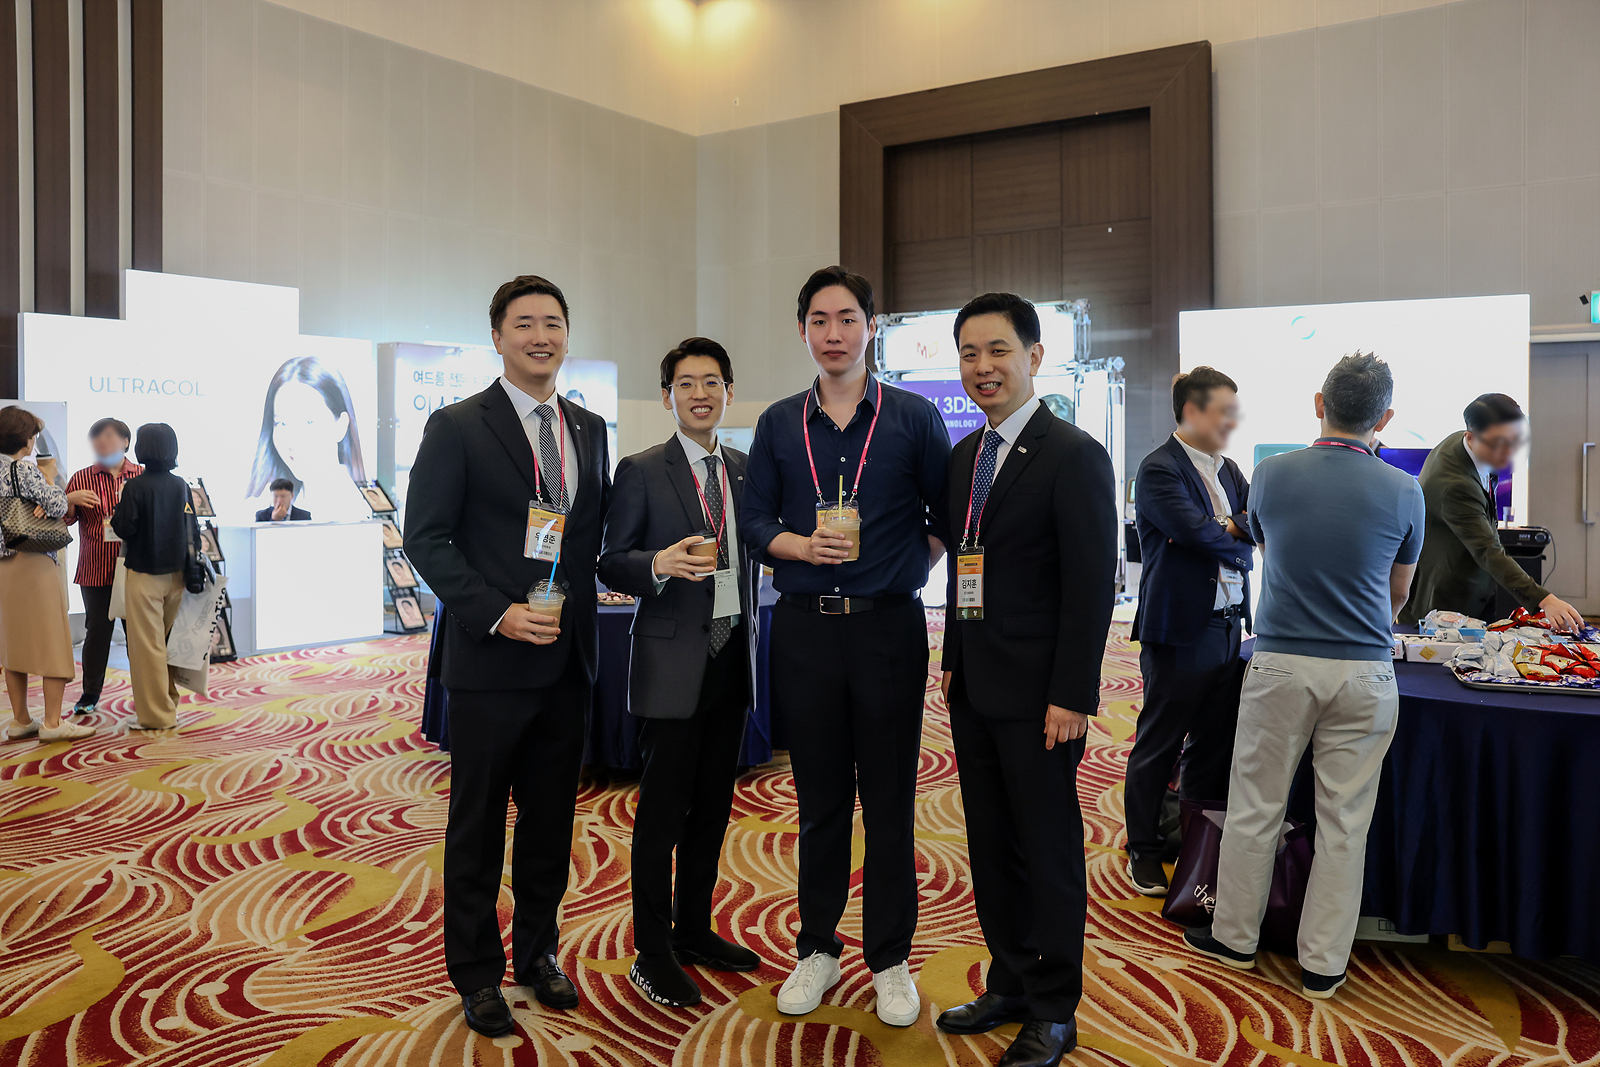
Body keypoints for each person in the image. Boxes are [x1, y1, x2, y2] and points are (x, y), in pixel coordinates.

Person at [404, 274, 612, 1038]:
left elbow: (589, 536)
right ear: (497, 336)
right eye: (524, 323)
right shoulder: (458, 425)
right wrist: (498, 611)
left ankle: (537, 952)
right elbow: (426, 537)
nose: (540, 336)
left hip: (566, 660)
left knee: (551, 823)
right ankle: (476, 972)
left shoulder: (588, 427)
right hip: (491, 663)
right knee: (479, 825)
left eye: (553, 322)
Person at [742, 265, 950, 1027]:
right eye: (819, 321)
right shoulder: (777, 423)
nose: (834, 334)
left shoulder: (914, 417)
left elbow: (945, 517)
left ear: (871, 326)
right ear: (803, 330)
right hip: (804, 630)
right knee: (819, 800)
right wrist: (798, 546)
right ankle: (818, 947)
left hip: (888, 629)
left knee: (890, 800)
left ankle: (890, 958)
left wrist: (900, 568)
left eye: (847, 319)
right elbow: (753, 521)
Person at [1184, 353, 1424, 1001]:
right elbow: (1398, 594)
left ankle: (1235, 939)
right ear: (1385, 418)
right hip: (1365, 671)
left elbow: (1270, 550)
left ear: (1319, 403)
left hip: (1281, 663)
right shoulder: (1405, 489)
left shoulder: (1270, 474)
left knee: (1255, 806)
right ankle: (1322, 966)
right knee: (1345, 822)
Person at [934, 294, 1116, 1067]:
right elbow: (963, 568)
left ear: (1035, 357)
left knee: (1047, 849)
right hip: (976, 687)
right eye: (969, 353)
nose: (983, 367)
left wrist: (1073, 692)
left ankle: (1053, 1007)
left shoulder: (1073, 454)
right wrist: (952, 657)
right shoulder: (964, 457)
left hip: (1044, 698)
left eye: (998, 350)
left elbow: (1092, 584)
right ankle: (1009, 979)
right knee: (990, 842)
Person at [598, 337, 763, 1007]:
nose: (700, 394)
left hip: (731, 659)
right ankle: (652, 949)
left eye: (712, 382)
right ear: (667, 396)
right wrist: (657, 565)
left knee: (714, 808)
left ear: (729, 392)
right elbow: (610, 560)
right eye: (687, 383)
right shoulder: (641, 469)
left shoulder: (747, 470)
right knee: (661, 814)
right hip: (670, 663)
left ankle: (693, 928)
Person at [1124, 368, 1254, 895]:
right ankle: (1143, 849)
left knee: (1212, 745)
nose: (1232, 422)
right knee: (1159, 743)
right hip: (1180, 629)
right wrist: (1229, 530)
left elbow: (1255, 525)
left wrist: (1228, 529)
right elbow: (1199, 535)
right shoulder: (1159, 468)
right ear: (1193, 411)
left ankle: (1194, 840)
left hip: (1230, 626)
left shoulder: (1230, 470)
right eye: (1224, 411)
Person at [1399, 394, 1582, 631]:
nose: (1509, 452)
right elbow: (1488, 550)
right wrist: (1545, 600)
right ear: (1470, 437)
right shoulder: (1455, 485)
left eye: (1515, 441)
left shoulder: (1466, 443)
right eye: (1498, 444)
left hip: (1470, 581)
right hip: (1444, 599)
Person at [0, 406, 95, 742]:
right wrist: (53, 481)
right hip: (33, 561)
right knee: (53, 640)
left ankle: (21, 719)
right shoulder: (23, 470)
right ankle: (53, 723)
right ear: (26, 439)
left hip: (4, 566)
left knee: (13, 645)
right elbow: (57, 506)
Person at [111, 423, 202, 731]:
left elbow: (125, 527)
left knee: (147, 648)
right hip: (178, 575)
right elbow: (192, 529)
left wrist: (118, 509)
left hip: (145, 575)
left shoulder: (135, 487)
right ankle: (168, 703)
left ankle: (156, 715)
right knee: (166, 642)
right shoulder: (181, 485)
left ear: (142, 448)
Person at [63, 418, 144, 715]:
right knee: (97, 633)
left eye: (108, 435)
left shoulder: (142, 475)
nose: (101, 441)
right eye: (96, 437)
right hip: (96, 567)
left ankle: (146, 693)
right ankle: (90, 694)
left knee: (139, 634)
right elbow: (65, 520)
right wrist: (69, 500)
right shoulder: (82, 477)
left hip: (135, 567)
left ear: (125, 441)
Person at [247, 356, 369, 521]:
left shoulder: (353, 511)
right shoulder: (270, 505)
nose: (292, 439)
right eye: (281, 423)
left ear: (340, 425)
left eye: (309, 422)